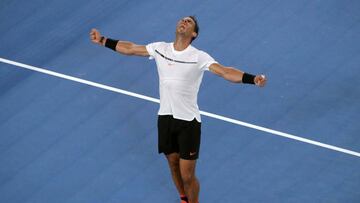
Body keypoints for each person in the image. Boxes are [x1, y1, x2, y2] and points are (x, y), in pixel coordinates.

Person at [90, 16, 266, 203]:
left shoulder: (199, 57)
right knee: (173, 165)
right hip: (165, 119)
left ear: (194, 33)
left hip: (188, 122)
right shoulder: (160, 48)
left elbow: (225, 71)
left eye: (189, 22)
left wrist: (252, 79)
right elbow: (131, 48)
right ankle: (183, 198)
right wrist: (102, 40)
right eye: (182, 20)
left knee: (188, 176)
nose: (184, 22)